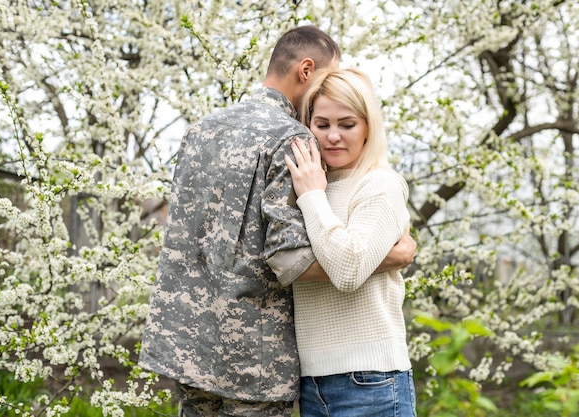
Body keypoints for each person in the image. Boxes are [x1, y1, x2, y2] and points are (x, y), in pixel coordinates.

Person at [138, 27, 417, 417]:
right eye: (325, 77)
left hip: (187, 345)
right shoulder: (292, 140)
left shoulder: (200, 131)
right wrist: (386, 258)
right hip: (254, 356)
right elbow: (289, 259)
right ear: (306, 70)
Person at [284, 68, 417, 417]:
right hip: (312, 383)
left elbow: (347, 270)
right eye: (322, 124)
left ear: (368, 127)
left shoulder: (379, 184)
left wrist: (312, 197)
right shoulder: (312, 182)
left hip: (371, 381)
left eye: (347, 124)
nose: (333, 137)